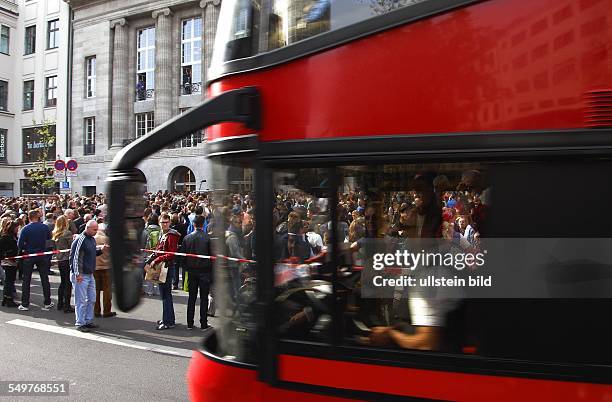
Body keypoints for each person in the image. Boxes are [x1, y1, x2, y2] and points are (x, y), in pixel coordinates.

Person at [144, 213, 180, 330]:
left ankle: (168, 321)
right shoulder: (163, 233)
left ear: (169, 222)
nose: (164, 224)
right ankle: (168, 318)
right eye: (162, 222)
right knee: (164, 294)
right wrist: (151, 259)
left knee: (165, 294)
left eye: (166, 222)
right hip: (162, 266)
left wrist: (157, 259)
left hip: (167, 267)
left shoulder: (171, 235)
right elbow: (159, 249)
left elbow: (171, 253)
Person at [70, 220, 105, 332]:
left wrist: (100, 250)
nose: (96, 232)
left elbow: (92, 252)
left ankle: (88, 320)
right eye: (94, 230)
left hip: (89, 274)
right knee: (81, 301)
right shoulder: (80, 240)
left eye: (96, 229)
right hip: (81, 274)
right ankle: (80, 322)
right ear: (88, 228)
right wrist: (77, 273)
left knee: (91, 299)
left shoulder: (91, 239)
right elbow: (74, 258)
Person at [17, 210, 54, 311]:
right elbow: (49, 237)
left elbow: (20, 245)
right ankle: (47, 302)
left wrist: (26, 247)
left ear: (29, 217)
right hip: (41, 254)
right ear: (37, 217)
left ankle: (25, 304)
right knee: (44, 279)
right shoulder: (44, 227)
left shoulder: (26, 228)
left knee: (26, 280)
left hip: (29, 255)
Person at [180, 215, 212, 330]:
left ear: (193, 224)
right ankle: (203, 323)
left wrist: (186, 268)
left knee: (192, 298)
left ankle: (189, 322)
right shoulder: (208, 238)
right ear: (203, 224)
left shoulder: (187, 238)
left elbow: (182, 257)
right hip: (205, 271)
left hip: (192, 271)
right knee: (204, 298)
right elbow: (212, 257)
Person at [52, 216, 75, 313]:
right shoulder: (67, 233)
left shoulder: (55, 233)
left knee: (62, 282)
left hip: (60, 259)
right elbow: (72, 246)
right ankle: (66, 305)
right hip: (66, 259)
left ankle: (60, 303)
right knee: (68, 283)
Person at [93, 223, 115, 318]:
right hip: (106, 267)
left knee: (95, 291)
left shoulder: (92, 239)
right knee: (107, 290)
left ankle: (96, 310)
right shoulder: (108, 239)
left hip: (95, 267)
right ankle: (107, 311)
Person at [0, 218, 19, 307]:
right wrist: (6, 255)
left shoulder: (12, 236)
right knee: (9, 281)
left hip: (12, 260)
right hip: (8, 261)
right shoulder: (6, 237)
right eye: (16, 228)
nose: (17, 229)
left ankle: (6, 298)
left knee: (10, 280)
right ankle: (8, 298)